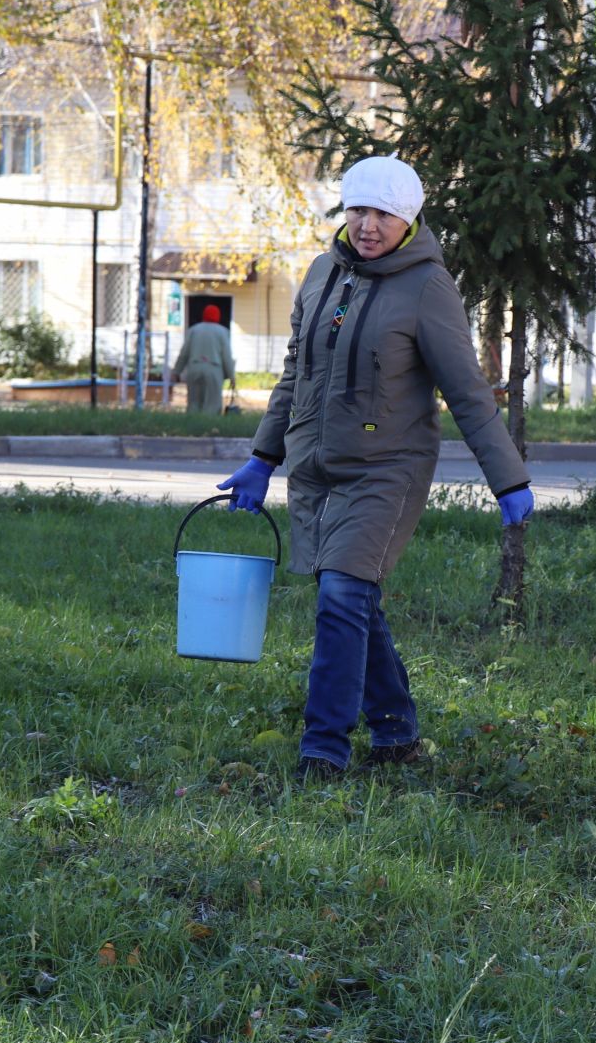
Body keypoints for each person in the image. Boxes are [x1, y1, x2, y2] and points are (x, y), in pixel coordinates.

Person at [219, 155, 535, 780]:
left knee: (340, 594)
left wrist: (508, 477)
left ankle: (324, 750)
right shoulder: (320, 274)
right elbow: (295, 375)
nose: (368, 225)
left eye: (384, 214)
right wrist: (262, 457)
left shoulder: (426, 286)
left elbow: (467, 390)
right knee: (353, 598)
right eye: (359, 209)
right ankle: (396, 733)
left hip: (387, 470)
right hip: (315, 465)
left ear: (408, 218)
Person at [174, 303, 235, 415]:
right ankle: (209, 427)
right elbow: (226, 356)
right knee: (212, 404)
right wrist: (232, 376)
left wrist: (177, 371)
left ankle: (193, 426)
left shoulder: (193, 330)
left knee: (193, 402)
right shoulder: (222, 332)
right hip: (214, 370)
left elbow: (184, 353)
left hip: (194, 368)